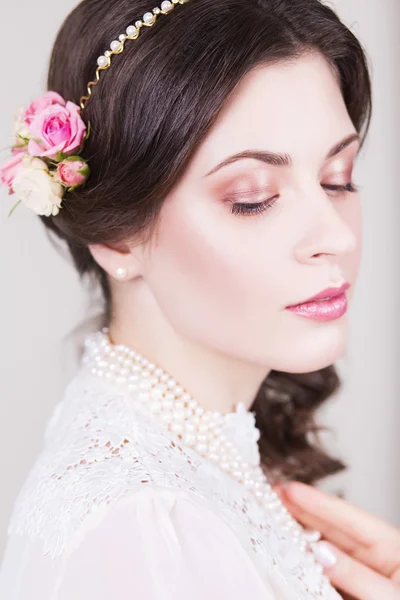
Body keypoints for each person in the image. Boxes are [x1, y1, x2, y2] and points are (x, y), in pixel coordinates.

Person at [0, 0, 398, 598]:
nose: (337, 237)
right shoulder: (149, 531)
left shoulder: (202, 463)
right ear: (117, 235)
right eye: (253, 198)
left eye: (337, 178)